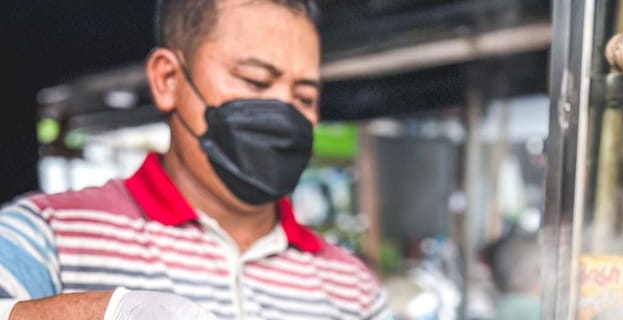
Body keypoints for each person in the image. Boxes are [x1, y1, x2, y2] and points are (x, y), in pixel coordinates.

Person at [0, 0, 390, 319]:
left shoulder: (352, 289)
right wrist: (101, 312)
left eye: (305, 97)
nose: (284, 111)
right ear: (168, 79)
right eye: (255, 80)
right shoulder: (47, 235)